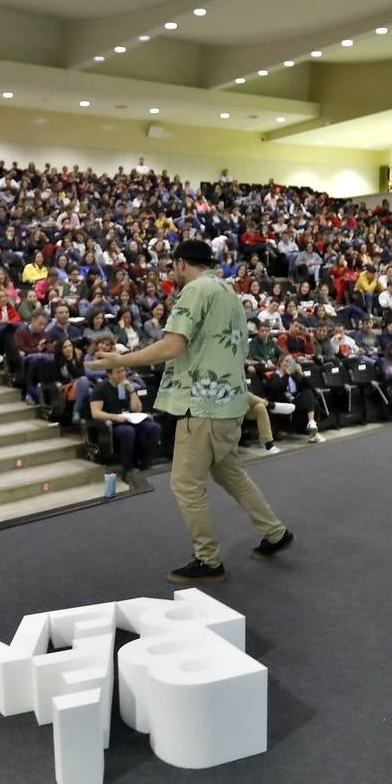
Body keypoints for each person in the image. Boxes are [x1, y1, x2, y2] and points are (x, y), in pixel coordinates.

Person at [88, 238, 294, 585]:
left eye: (173, 266)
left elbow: (171, 346)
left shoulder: (196, 290)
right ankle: (276, 533)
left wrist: (119, 360)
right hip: (229, 401)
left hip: (203, 403)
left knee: (185, 483)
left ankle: (208, 559)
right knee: (230, 473)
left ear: (182, 263)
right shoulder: (228, 291)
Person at [87, 364, 162, 487]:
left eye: (123, 371)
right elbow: (96, 413)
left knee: (154, 428)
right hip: (113, 423)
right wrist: (114, 417)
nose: (122, 374)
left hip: (129, 419)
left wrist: (132, 390)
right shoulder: (100, 389)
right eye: (118, 372)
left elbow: (137, 409)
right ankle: (127, 470)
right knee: (127, 432)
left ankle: (145, 465)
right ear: (109, 374)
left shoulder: (126, 387)